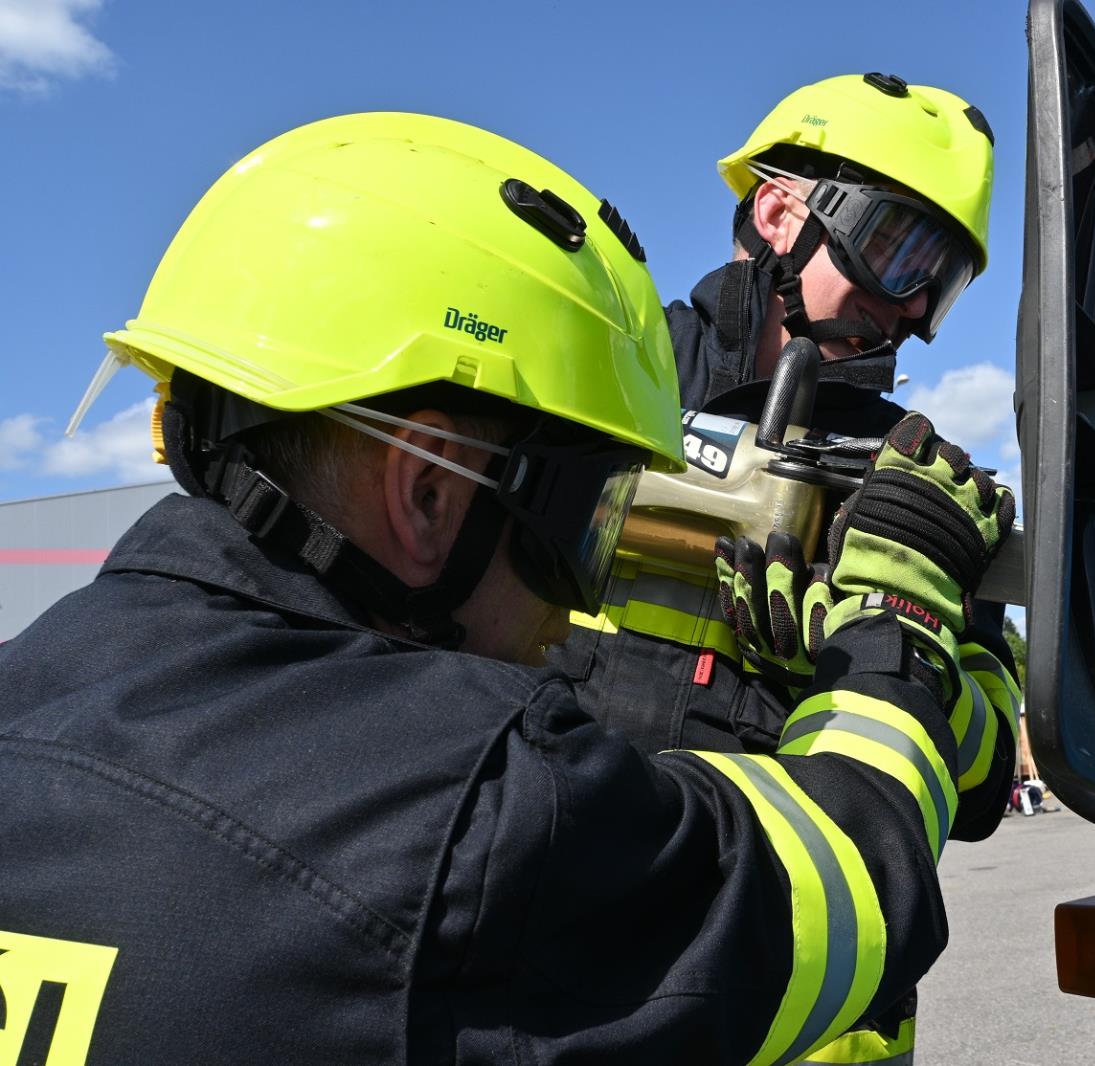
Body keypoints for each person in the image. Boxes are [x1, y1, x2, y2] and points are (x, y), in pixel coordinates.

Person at [0, 113, 1013, 1065]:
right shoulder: (473, 818)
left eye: (945, 281)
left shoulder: (30, 695)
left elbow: (987, 763)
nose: (563, 619)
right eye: (589, 526)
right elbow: (850, 890)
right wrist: (892, 634)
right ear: (430, 490)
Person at [549, 74, 1020, 1064]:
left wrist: (891, 638)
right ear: (779, 214)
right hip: (565, 974)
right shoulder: (592, 379)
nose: (915, 312)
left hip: (809, 1010)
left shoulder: (923, 481)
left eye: (945, 281)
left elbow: (980, 788)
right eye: (900, 252)